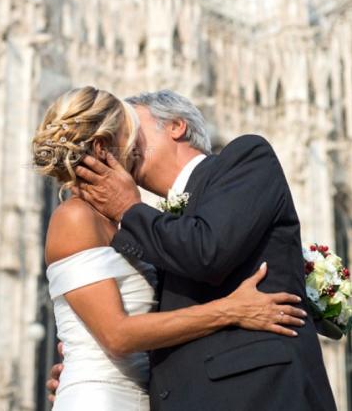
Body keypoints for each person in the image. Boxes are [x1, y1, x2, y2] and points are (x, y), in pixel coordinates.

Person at [32, 86, 308, 411]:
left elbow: (202, 258)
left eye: (135, 129)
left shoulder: (240, 162)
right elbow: (119, 333)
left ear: (176, 126)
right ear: (100, 145)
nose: (132, 144)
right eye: (125, 131)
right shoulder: (87, 217)